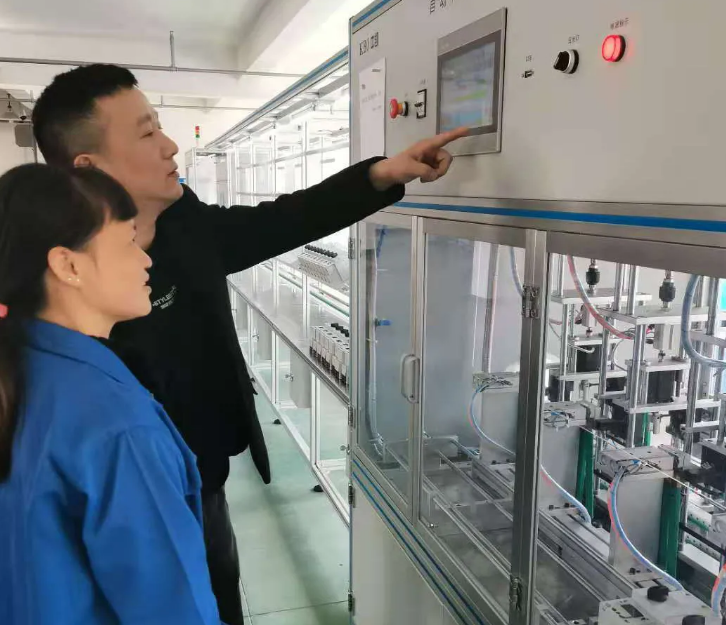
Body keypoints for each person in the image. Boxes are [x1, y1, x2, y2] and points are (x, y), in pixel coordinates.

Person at [31, 63, 466, 625]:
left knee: (218, 587)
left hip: (204, 470)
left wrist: (380, 175)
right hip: (131, 493)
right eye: (146, 132)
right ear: (90, 169)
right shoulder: (62, 298)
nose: (169, 146)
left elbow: (277, 222)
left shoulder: (182, 220)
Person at [0, 164, 223, 624]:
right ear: (69, 266)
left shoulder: (22, 370)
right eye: (128, 241)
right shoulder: (117, 426)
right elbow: (174, 609)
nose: (146, 261)